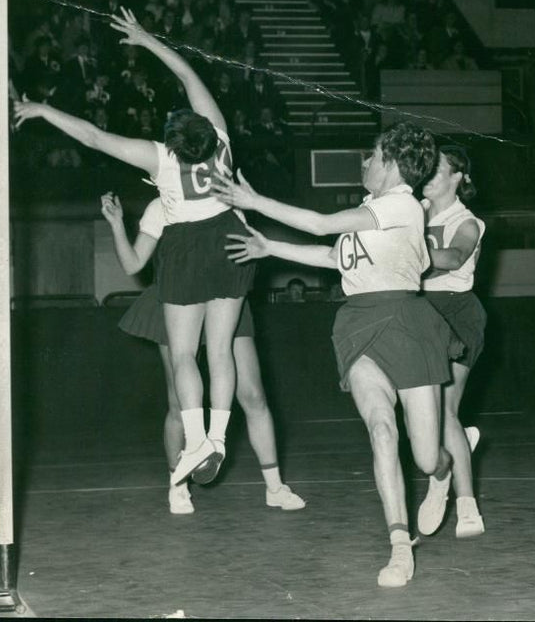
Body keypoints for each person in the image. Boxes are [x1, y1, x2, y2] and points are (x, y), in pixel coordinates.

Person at [13, 7, 255, 488]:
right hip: (229, 237)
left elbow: (93, 136)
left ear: (173, 141)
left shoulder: (161, 159)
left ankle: (195, 438)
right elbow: (188, 72)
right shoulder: (223, 137)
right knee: (222, 349)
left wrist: (41, 109)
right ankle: (219, 440)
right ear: (205, 131)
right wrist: (145, 38)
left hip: (186, 244)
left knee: (185, 355)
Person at [214, 123, 456, 589]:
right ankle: (400, 546)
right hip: (359, 324)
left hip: (406, 324)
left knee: (426, 458)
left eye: (371, 154)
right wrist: (269, 246)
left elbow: (324, 224)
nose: (364, 162)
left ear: (391, 162)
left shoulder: (403, 205)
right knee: (382, 430)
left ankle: (443, 472)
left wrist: (256, 201)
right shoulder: (371, 213)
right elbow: (332, 254)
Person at [100, 191, 305, 515]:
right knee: (179, 404)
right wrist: (115, 224)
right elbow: (132, 263)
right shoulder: (160, 206)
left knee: (253, 395)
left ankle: (275, 487)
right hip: (178, 297)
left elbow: (244, 251)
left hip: (223, 296)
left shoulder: (225, 199)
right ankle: (177, 485)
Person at [418, 145, 486, 540]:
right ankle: (442, 471)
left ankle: (467, 506)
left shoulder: (468, 222)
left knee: (444, 409)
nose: (427, 174)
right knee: (422, 424)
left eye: (437, 169)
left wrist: (409, 248)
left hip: (457, 313)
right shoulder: (414, 212)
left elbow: (454, 257)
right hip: (417, 312)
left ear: (458, 177)